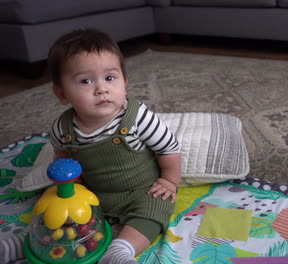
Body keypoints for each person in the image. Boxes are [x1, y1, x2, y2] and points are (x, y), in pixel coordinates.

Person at [0, 28, 181, 264]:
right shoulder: (62, 129)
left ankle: (120, 250)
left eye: (110, 78)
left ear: (124, 83)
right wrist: (72, 188)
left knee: (155, 210)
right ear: (62, 93)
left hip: (142, 190)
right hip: (92, 192)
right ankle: (27, 241)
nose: (101, 88)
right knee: (58, 209)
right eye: (86, 81)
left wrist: (169, 180)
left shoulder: (138, 117)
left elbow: (168, 147)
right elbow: (62, 157)